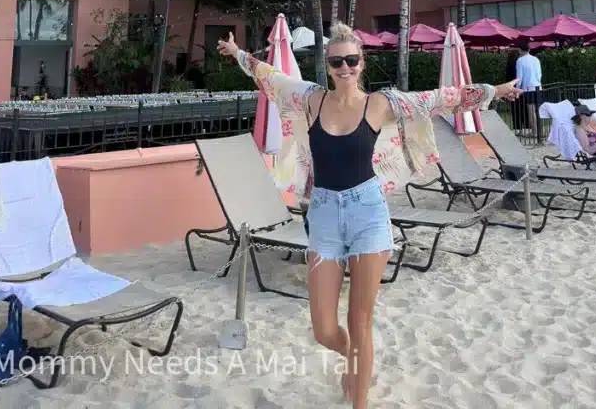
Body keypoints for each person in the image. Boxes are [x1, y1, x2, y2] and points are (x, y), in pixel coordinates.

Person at [218, 23, 521, 409]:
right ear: (327, 65)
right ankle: (356, 363)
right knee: (324, 330)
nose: (344, 67)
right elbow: (270, 77)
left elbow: (439, 99)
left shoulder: (380, 104)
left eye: (351, 60)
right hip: (324, 215)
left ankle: (358, 390)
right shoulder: (310, 99)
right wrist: (238, 53)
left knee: (360, 323)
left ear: (362, 64)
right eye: (336, 61)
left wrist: (494, 91)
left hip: (368, 214)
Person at [515, 40, 542, 134]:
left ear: (520, 50)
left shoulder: (520, 60)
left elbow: (519, 77)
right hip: (538, 87)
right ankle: (539, 130)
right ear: (529, 49)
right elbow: (539, 74)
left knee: (531, 111)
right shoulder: (536, 59)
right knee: (537, 110)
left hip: (528, 88)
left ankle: (535, 132)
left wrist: (517, 89)